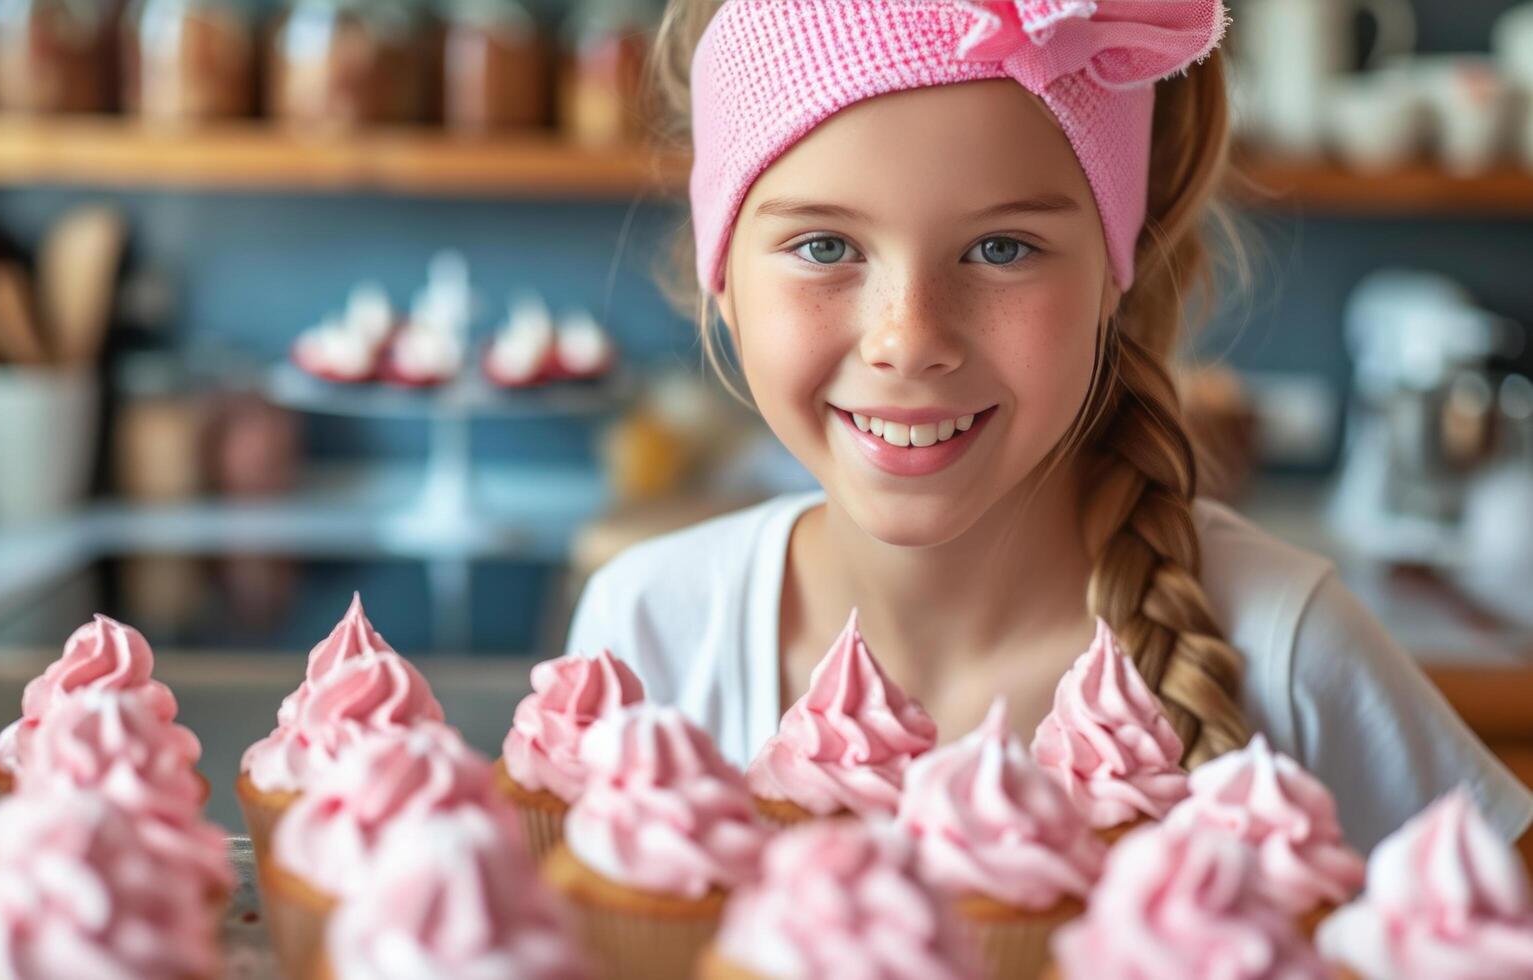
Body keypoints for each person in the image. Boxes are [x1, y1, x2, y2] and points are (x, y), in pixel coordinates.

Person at [565, 0, 1533, 856]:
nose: (909, 337)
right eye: (825, 245)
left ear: (1117, 272)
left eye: (1001, 247)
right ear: (722, 277)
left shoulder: (1289, 649)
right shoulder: (647, 636)